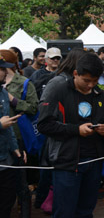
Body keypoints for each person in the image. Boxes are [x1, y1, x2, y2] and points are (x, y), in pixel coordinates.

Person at [37, 53, 104, 218]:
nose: (90, 85)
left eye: (95, 81)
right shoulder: (58, 90)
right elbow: (43, 124)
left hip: (94, 160)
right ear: (76, 73)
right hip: (67, 162)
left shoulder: (100, 95)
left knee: (86, 211)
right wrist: (75, 130)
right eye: (86, 81)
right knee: (64, 212)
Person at [0, 49, 38, 218]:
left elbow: (32, 108)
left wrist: (13, 100)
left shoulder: (22, 83)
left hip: (16, 140)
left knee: (19, 185)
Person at [0, 55, 24, 217]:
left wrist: (15, 149)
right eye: (2, 69)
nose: (5, 72)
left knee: (7, 200)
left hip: (6, 158)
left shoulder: (2, 92)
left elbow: (7, 125)